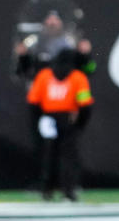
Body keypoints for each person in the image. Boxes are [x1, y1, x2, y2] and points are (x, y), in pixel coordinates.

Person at [27, 48, 94, 201]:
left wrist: (38, 120)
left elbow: (33, 102)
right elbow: (85, 104)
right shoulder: (78, 77)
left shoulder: (44, 75)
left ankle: (46, 188)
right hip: (68, 118)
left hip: (47, 118)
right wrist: (80, 123)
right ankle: (68, 189)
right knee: (69, 155)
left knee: (48, 154)